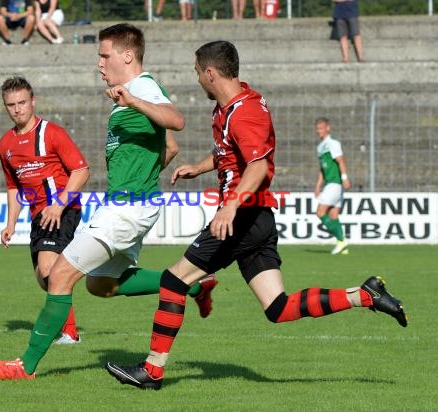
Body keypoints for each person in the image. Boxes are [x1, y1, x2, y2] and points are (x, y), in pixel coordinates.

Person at [105, 40, 408, 391]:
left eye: (197, 73)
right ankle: (364, 295)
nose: (197, 80)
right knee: (278, 307)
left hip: (243, 217)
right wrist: (199, 168)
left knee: (174, 282)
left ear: (210, 72)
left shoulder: (243, 111)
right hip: (258, 217)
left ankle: (152, 371)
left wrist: (231, 205)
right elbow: (230, 154)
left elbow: (259, 166)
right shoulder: (232, 105)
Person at [0, 23, 218, 380]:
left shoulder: (141, 86)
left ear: (127, 55)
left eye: (104, 55)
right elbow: (169, 146)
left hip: (126, 207)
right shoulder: (129, 94)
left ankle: (24, 366)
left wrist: (133, 101)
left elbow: (177, 121)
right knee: (101, 285)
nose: (100, 64)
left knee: (59, 276)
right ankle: (195, 285)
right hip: (131, 203)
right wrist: (145, 170)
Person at [0, 76, 90, 344]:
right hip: (38, 216)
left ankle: (69, 333)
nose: (17, 109)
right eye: (11, 105)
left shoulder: (52, 133)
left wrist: (59, 204)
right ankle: (87, 268)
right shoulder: (6, 144)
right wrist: (11, 223)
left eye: (22, 102)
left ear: (33, 101)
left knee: (50, 269)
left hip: (63, 210)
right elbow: (13, 187)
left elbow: (81, 171)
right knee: (44, 277)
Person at [314, 117, 351, 255]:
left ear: (328, 128)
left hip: (335, 183)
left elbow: (340, 160)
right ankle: (343, 246)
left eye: (321, 128)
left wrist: (345, 177)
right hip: (330, 184)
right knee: (333, 214)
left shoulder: (333, 144)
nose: (319, 131)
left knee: (320, 212)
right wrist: (318, 185)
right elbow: (322, 168)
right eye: (317, 129)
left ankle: (341, 239)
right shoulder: (320, 147)